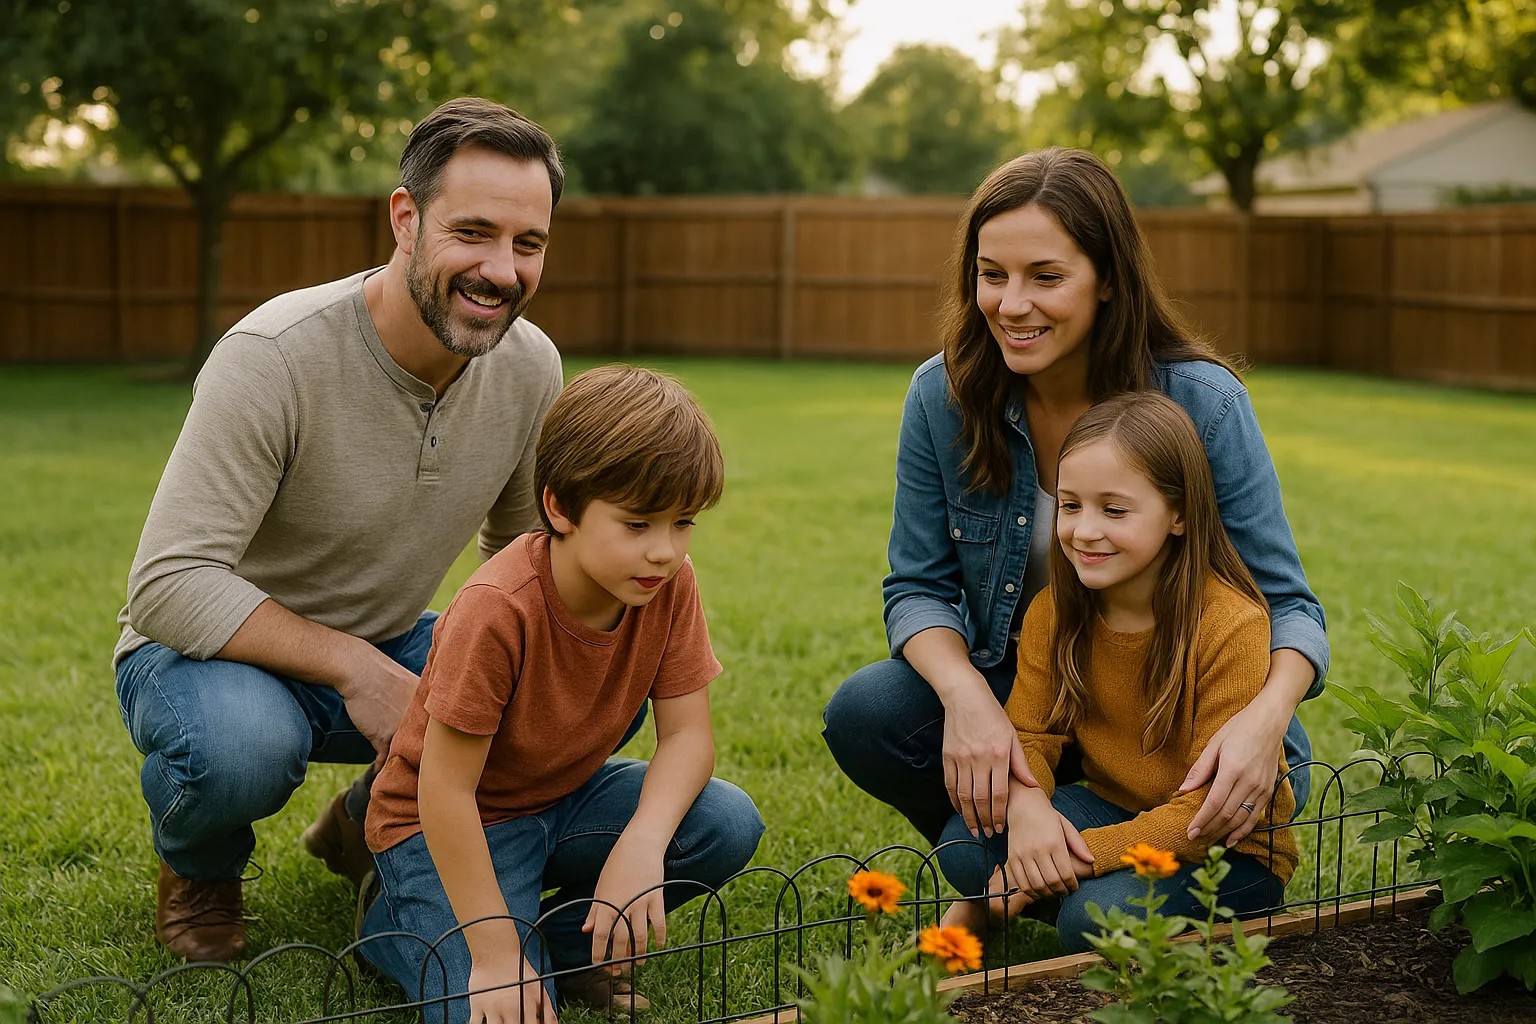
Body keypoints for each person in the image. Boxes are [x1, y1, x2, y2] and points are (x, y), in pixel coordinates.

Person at [113, 97, 570, 962]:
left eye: (528, 243)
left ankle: (369, 820)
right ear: (406, 219)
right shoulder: (274, 355)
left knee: (568, 679)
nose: (501, 271)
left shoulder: (529, 366)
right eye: (473, 233)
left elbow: (521, 561)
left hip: (391, 641)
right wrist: (356, 668)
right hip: (208, 658)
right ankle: (200, 869)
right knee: (243, 749)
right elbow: (167, 584)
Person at [822, 148, 1327, 859]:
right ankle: (1017, 852)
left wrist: (1265, 720)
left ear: (1109, 279)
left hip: (1182, 716)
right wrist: (969, 699)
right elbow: (917, 588)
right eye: (992, 275)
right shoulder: (943, 396)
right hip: (1032, 690)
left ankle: (1026, 871)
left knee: (1024, 869)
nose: (1011, 304)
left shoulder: (1205, 405)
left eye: (1046, 277)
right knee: (869, 712)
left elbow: (1290, 607)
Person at [358, 365, 764, 1022]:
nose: (664, 552)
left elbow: (688, 738)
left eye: (683, 522)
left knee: (725, 822)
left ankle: (567, 950)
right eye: (638, 524)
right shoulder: (497, 609)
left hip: (562, 798)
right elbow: (446, 791)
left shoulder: (667, 585)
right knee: (498, 1009)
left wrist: (641, 843)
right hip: (453, 824)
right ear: (559, 509)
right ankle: (393, 924)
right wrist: (495, 956)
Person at [934, 391, 1297, 951]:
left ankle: (1053, 894)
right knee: (964, 843)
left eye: (1114, 510)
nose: (1084, 530)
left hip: (1228, 849)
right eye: (1070, 505)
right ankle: (1049, 887)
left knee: (1094, 918)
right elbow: (1029, 734)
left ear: (1179, 514)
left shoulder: (1231, 625)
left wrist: (1078, 855)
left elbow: (1208, 813)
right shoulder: (1056, 610)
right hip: (1117, 806)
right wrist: (1029, 812)